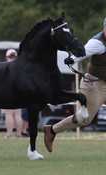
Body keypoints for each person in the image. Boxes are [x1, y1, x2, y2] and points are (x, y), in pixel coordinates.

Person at [43, 17, 106, 152]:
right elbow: (83, 52)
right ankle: (52, 130)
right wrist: (71, 59)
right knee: (85, 119)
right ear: (104, 28)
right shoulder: (98, 42)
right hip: (94, 84)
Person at [2, 49, 23, 138]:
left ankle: (9, 133)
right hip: (19, 91)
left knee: (9, 114)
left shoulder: (5, 65)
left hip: (8, 91)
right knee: (18, 114)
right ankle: (19, 133)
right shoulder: (20, 66)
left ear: (7, 57)